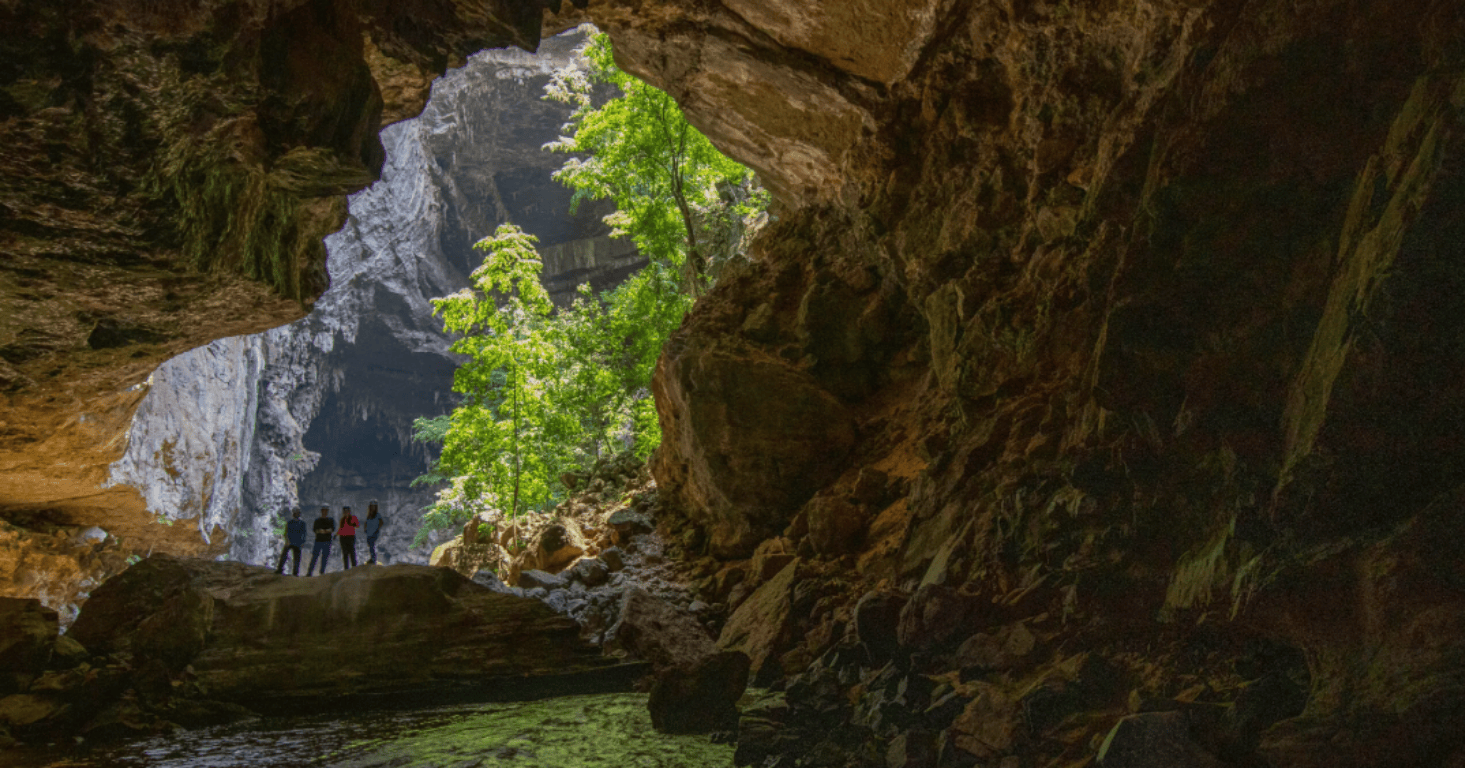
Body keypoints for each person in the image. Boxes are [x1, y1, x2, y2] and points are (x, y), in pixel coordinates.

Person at [274, 506, 306, 576]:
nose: (297, 514)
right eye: (296, 512)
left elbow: (304, 533)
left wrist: (302, 542)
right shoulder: (290, 523)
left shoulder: (302, 523)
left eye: (298, 512)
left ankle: (295, 573)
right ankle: (280, 569)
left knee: (297, 558)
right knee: (284, 555)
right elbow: (286, 533)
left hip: (298, 543)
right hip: (290, 542)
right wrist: (287, 541)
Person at [306, 506, 335, 576]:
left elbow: (332, 529)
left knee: (324, 557)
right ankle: (310, 573)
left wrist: (322, 531)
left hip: (327, 541)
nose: (324, 512)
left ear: (327, 511)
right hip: (319, 541)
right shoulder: (317, 520)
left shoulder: (330, 520)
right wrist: (325, 531)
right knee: (315, 557)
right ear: (322, 511)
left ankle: (322, 572)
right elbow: (315, 530)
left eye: (326, 510)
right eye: (323, 510)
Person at [338, 505, 360, 570]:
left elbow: (357, 525)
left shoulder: (353, 518)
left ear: (349, 511)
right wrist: (337, 534)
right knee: (345, 554)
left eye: (347, 511)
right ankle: (346, 569)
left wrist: (352, 525)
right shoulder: (342, 519)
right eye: (344, 511)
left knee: (352, 552)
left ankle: (354, 567)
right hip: (343, 537)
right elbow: (340, 528)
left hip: (350, 537)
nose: (346, 512)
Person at [363, 500, 384, 564]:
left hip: (374, 533)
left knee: (372, 546)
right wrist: (365, 529)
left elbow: (381, 522)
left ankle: (373, 560)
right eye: (372, 506)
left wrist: (377, 529)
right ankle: (372, 558)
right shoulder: (369, 515)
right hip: (369, 533)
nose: (373, 507)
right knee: (370, 546)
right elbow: (366, 522)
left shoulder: (377, 515)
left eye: (374, 506)